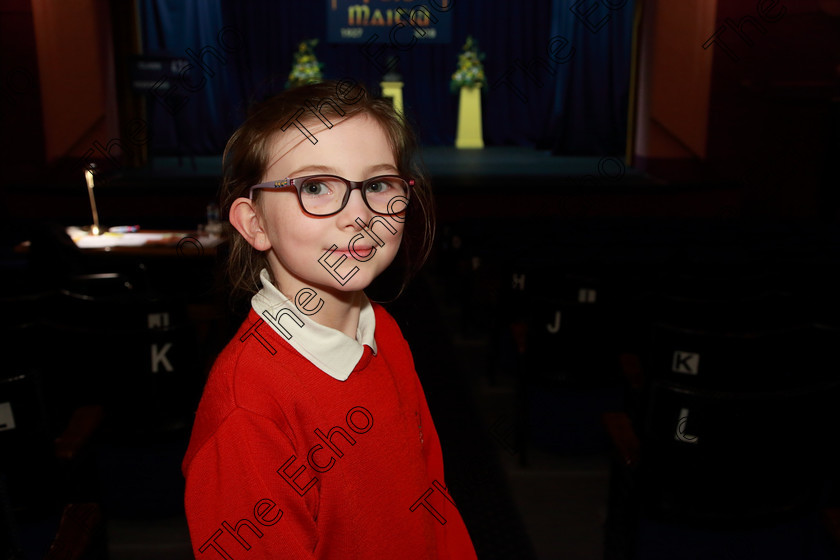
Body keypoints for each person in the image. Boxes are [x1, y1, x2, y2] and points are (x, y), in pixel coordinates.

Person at [182, 79, 477, 560]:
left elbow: (432, 499)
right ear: (254, 223)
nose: (359, 215)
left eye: (378, 185)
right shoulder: (248, 409)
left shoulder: (383, 329)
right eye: (315, 187)